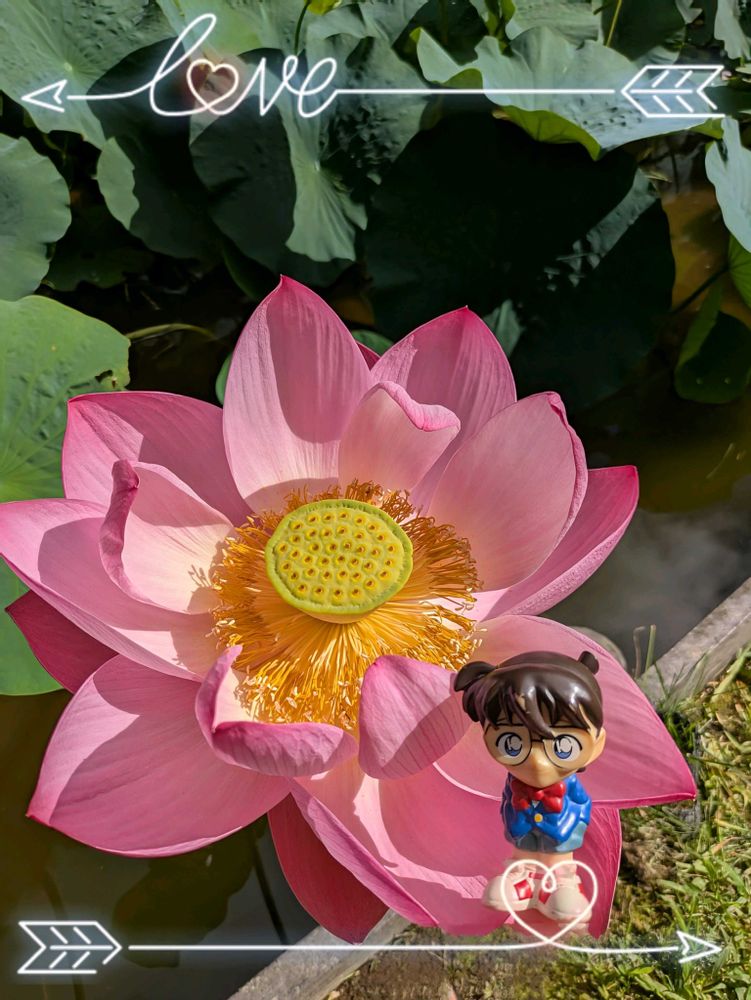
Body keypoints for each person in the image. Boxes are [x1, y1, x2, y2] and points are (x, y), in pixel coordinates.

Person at [454, 650, 606, 925]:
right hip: (522, 825)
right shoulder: (513, 784)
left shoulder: (569, 787)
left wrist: (574, 823)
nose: (536, 762)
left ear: (596, 746)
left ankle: (561, 885)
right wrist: (510, 816)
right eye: (512, 742)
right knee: (522, 856)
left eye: (563, 745)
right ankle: (521, 881)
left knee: (557, 860)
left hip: (559, 827)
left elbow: (582, 804)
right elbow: (506, 798)